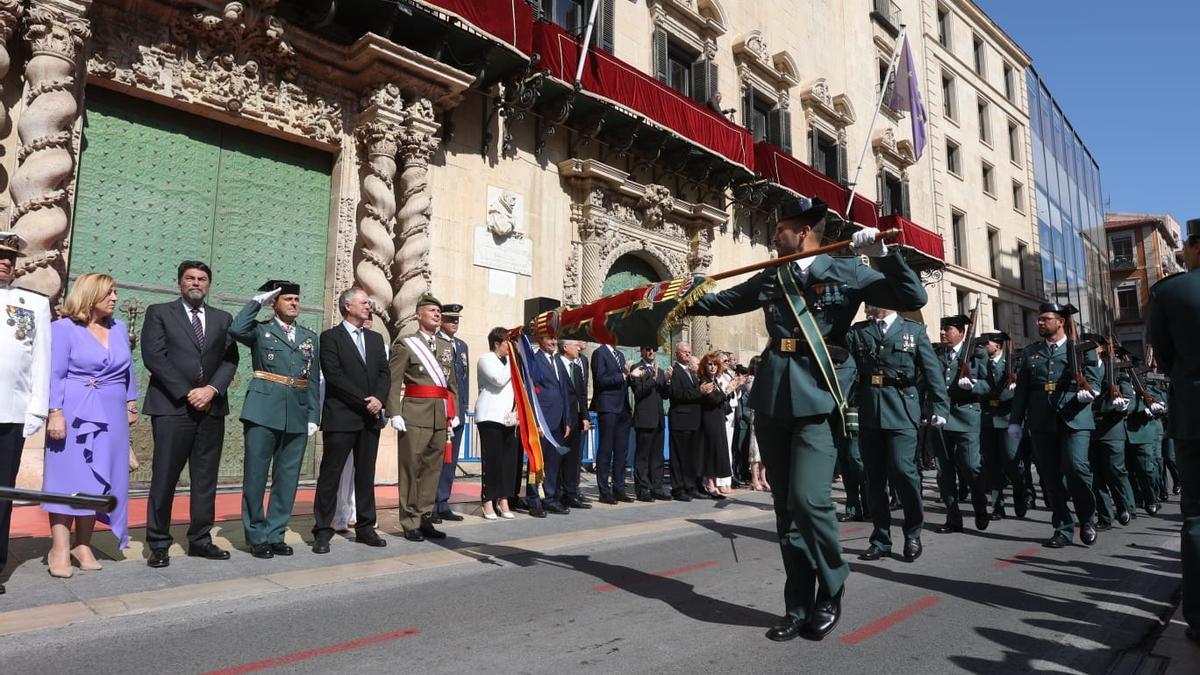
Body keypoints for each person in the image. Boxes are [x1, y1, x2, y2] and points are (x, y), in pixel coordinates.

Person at [686, 196, 928, 641]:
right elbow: (722, 303)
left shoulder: (847, 270)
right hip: (774, 395)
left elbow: (914, 297)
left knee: (810, 500)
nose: (774, 234)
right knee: (786, 511)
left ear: (803, 232)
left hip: (818, 396)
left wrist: (885, 256)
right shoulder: (772, 275)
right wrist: (680, 296)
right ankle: (797, 604)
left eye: (781, 228)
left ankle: (832, 586)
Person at [140, 261, 239, 568]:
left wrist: (211, 390)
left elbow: (229, 359)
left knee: (205, 478)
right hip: (172, 407)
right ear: (180, 282)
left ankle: (200, 540)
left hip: (211, 409)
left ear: (208, 284)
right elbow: (154, 356)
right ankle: (158, 542)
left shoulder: (223, 318)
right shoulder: (159, 312)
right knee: (165, 476)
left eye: (202, 279)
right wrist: (188, 392)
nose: (196, 283)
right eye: (190, 278)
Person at [43, 273, 138, 576]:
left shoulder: (119, 328)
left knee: (100, 479)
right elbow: (54, 373)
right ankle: (59, 548)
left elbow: (128, 372)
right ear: (90, 295)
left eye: (115, 292)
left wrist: (130, 403)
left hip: (111, 411)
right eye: (109, 292)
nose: (115, 298)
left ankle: (82, 544)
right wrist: (54, 412)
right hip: (74, 408)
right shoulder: (63, 329)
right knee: (67, 478)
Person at [229, 280, 320, 559]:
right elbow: (235, 328)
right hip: (262, 409)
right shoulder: (261, 331)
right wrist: (257, 301)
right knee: (256, 475)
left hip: (297, 409)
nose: (294, 303)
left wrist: (314, 415)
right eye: (287, 299)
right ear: (275, 303)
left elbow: (313, 378)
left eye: (296, 299)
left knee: (287, 477)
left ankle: (276, 532)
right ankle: (257, 534)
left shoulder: (308, 337)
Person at [849, 305, 947, 562]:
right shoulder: (859, 331)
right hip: (870, 411)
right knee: (874, 478)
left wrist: (939, 406)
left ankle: (913, 532)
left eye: (877, 297)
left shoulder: (913, 331)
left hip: (902, 410)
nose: (870, 302)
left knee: (904, 471)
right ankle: (880, 539)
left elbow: (932, 370)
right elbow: (846, 367)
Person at [1008, 302, 1102, 549]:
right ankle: (1062, 527)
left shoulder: (1082, 349)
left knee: (1077, 469)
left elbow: (1095, 380)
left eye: (1045, 319)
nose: (1040, 323)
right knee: (1050, 477)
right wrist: (1015, 422)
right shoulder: (1031, 352)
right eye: (1039, 319)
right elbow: (1022, 392)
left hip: (1075, 417)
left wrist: (1090, 393)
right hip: (1041, 419)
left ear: (1060, 321)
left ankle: (1088, 518)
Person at [1146, 217, 1200, 644]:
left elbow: (1163, 357)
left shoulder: (1170, 292)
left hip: (1194, 415)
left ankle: (1198, 616)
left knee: (1197, 518)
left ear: (1196, 247)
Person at [311, 288, 390, 553]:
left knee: (365, 475)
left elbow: (384, 373)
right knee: (330, 474)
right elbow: (334, 376)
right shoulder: (331, 338)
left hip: (370, 419)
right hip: (342, 417)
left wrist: (379, 398)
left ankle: (366, 527)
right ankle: (323, 530)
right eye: (364, 303)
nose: (369, 307)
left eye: (368, 303)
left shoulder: (376, 339)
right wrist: (365, 401)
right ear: (347, 306)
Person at [0, 232, 50, 592]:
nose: (5, 262)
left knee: (3, 492)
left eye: (10, 258)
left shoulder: (32, 304)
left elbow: (40, 360)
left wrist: (36, 410)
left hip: (11, 410)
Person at [387, 293, 458, 541]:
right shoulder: (405, 344)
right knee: (411, 468)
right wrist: (394, 412)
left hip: (440, 415)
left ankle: (425, 515)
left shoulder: (447, 346)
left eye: (438, 311)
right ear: (419, 315)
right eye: (431, 311)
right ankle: (409, 521)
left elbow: (452, 384)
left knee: (432, 469)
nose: (437, 314)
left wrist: (454, 411)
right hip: (415, 413)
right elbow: (393, 381)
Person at [932, 314, 991, 534]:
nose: (943, 333)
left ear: (961, 332)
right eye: (942, 329)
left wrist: (973, 386)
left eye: (948, 329)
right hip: (940, 417)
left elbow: (988, 386)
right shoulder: (937, 354)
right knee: (943, 470)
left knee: (971, 466)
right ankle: (953, 517)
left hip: (966, 417)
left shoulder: (977, 354)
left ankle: (980, 507)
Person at [1084, 336, 1136, 530]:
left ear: (1100, 349)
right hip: (1088, 427)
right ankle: (1105, 516)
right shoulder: (1080, 369)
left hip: (1111, 427)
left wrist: (1122, 407)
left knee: (1115, 471)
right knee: (1094, 476)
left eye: (1091, 346)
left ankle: (1124, 505)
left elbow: (1129, 397)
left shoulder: (1115, 368)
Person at [977, 332, 1027, 521]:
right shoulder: (981, 363)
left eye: (986, 343)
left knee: (1011, 459)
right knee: (991, 463)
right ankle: (998, 506)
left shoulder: (1013, 362)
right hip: (988, 417)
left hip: (1009, 418)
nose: (982, 346)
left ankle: (1020, 492)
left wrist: (1017, 386)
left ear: (997, 346)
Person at [525, 335, 572, 516]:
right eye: (549, 339)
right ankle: (534, 500)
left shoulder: (559, 361)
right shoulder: (534, 360)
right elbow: (531, 392)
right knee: (537, 462)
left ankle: (550, 498)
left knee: (553, 462)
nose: (553, 342)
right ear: (540, 340)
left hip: (559, 421)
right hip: (542, 421)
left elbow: (565, 392)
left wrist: (567, 419)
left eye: (555, 339)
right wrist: (535, 422)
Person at [476, 327, 518, 520]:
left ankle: (503, 499)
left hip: (508, 418)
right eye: (506, 343)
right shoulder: (486, 359)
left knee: (507, 462)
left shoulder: (510, 362)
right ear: (496, 344)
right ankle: (488, 500)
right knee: (492, 461)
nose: (510, 347)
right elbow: (498, 379)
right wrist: (513, 363)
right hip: (490, 416)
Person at [432, 303, 468, 524]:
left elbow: (463, 380)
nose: (454, 323)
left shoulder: (462, 346)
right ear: (441, 320)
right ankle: (432, 505)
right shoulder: (435, 342)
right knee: (437, 459)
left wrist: (462, 407)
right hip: (442, 408)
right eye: (450, 319)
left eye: (457, 320)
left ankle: (444, 501)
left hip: (458, 409)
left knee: (451, 460)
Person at [591, 342, 633, 503]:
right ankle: (604, 491)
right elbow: (600, 380)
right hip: (608, 407)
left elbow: (623, 381)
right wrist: (623, 375)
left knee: (621, 451)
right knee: (606, 450)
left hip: (623, 408)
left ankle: (619, 488)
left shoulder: (620, 355)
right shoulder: (599, 353)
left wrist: (631, 376)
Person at [630, 345, 670, 501]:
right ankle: (642, 489)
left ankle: (657, 487)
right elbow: (638, 392)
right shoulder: (637, 368)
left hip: (659, 418)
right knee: (643, 457)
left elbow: (665, 396)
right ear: (641, 351)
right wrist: (653, 380)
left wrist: (666, 381)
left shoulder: (659, 370)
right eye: (647, 349)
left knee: (657, 456)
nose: (651, 352)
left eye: (653, 349)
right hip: (645, 418)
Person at [559, 340, 592, 509]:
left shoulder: (577, 368)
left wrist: (585, 417)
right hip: (561, 419)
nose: (579, 347)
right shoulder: (556, 364)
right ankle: (557, 493)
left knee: (573, 458)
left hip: (577, 418)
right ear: (565, 347)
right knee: (560, 457)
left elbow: (582, 394)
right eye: (575, 345)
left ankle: (571, 493)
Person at [667, 343, 702, 501]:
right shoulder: (675, 371)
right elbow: (677, 394)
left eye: (689, 352)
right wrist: (699, 391)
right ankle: (678, 488)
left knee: (691, 456)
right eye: (684, 352)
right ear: (677, 354)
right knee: (679, 456)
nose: (688, 354)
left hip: (693, 420)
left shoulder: (692, 372)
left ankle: (690, 486)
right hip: (680, 419)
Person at [698, 352, 735, 499]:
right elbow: (713, 400)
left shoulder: (715, 380)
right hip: (709, 419)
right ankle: (710, 483)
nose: (713, 367)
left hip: (718, 418)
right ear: (704, 366)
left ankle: (712, 482)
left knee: (716, 450)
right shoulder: (704, 380)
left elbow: (721, 400)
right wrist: (728, 390)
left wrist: (727, 392)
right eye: (710, 364)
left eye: (715, 364)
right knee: (711, 450)